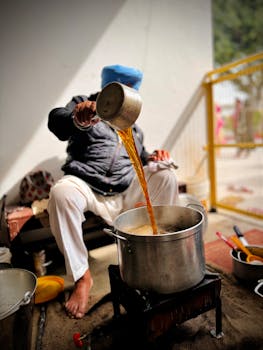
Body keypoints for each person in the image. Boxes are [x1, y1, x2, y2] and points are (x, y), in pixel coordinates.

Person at [47, 64, 179, 319]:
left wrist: (154, 156)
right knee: (60, 194)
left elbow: (140, 157)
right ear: (110, 89)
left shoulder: (133, 127)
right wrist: (77, 118)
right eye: (123, 93)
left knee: (165, 174)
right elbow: (57, 122)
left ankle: (162, 251)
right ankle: (82, 278)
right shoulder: (83, 104)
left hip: (125, 190)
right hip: (88, 185)